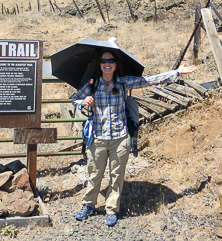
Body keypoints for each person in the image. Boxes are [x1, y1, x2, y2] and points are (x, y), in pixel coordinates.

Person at [72, 50, 197, 226]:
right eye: (103, 61)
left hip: (120, 138)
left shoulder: (123, 82)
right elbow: (75, 99)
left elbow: (150, 80)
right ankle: (89, 205)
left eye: (111, 61)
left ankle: (111, 209)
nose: (107, 64)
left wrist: (176, 72)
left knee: (117, 176)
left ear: (116, 65)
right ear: (99, 65)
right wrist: (83, 102)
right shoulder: (92, 84)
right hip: (98, 138)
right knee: (95, 175)